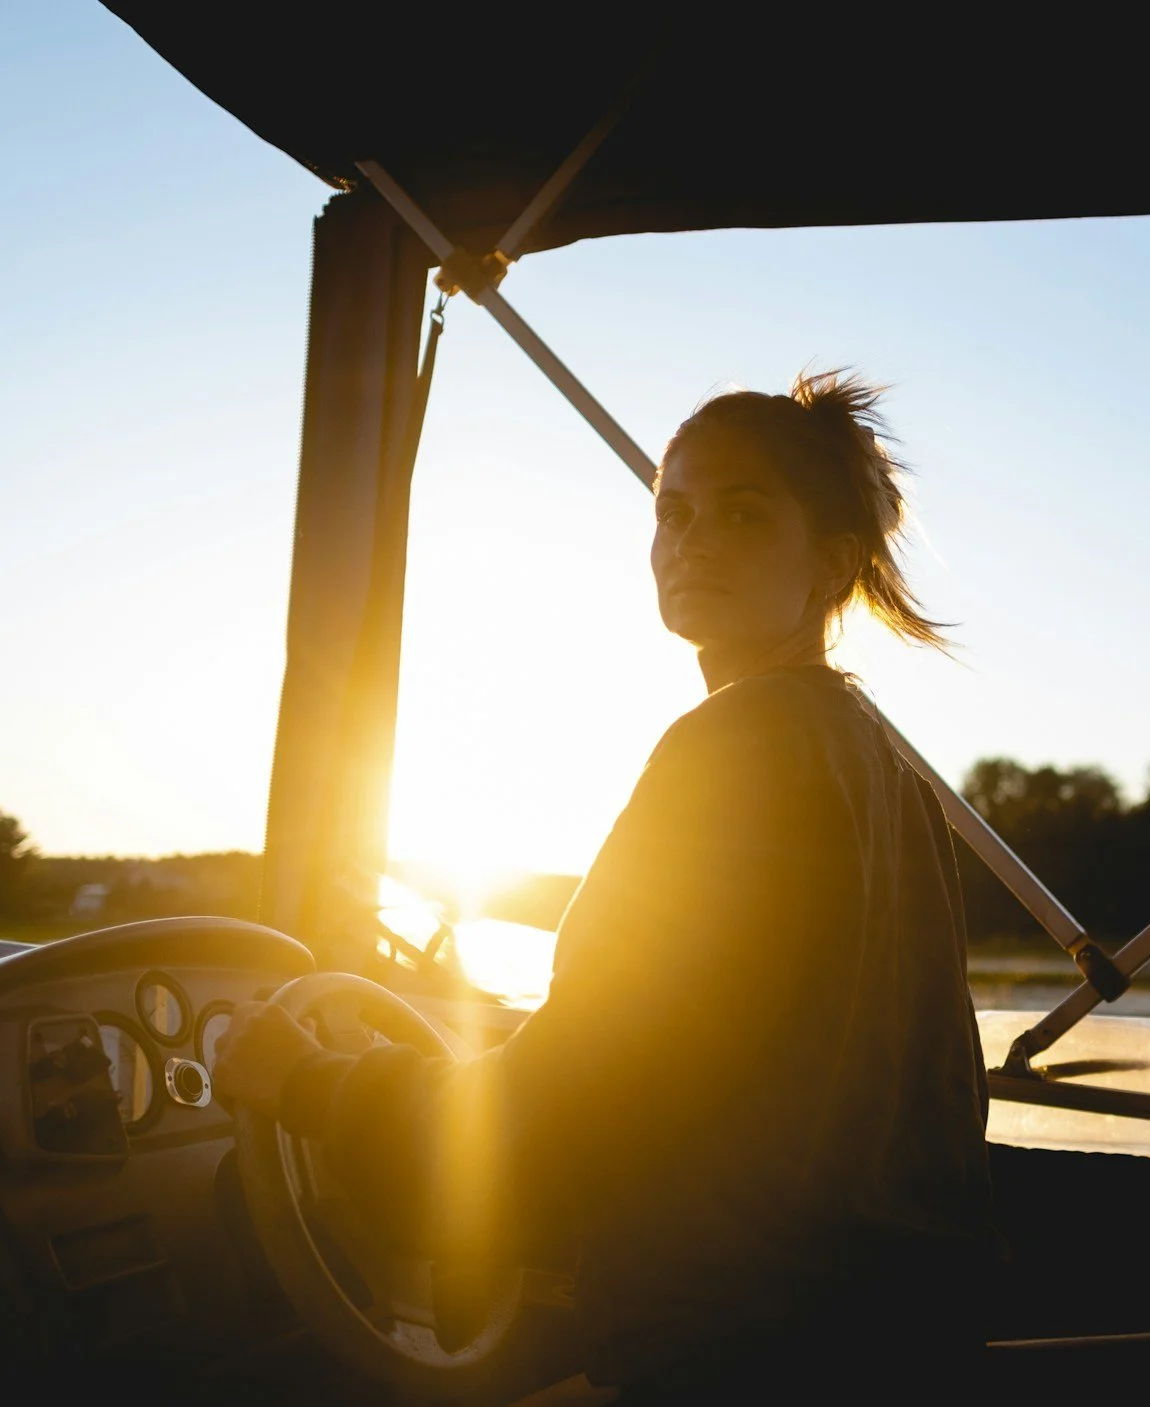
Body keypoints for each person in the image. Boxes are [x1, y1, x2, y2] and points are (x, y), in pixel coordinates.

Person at [216, 370, 993, 1401]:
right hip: (872, 1345)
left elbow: (558, 1124)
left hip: (732, 1354)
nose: (692, 539)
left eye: (743, 513)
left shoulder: (735, 745)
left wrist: (313, 1085)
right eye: (672, 511)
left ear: (831, 562)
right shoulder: (886, 776)